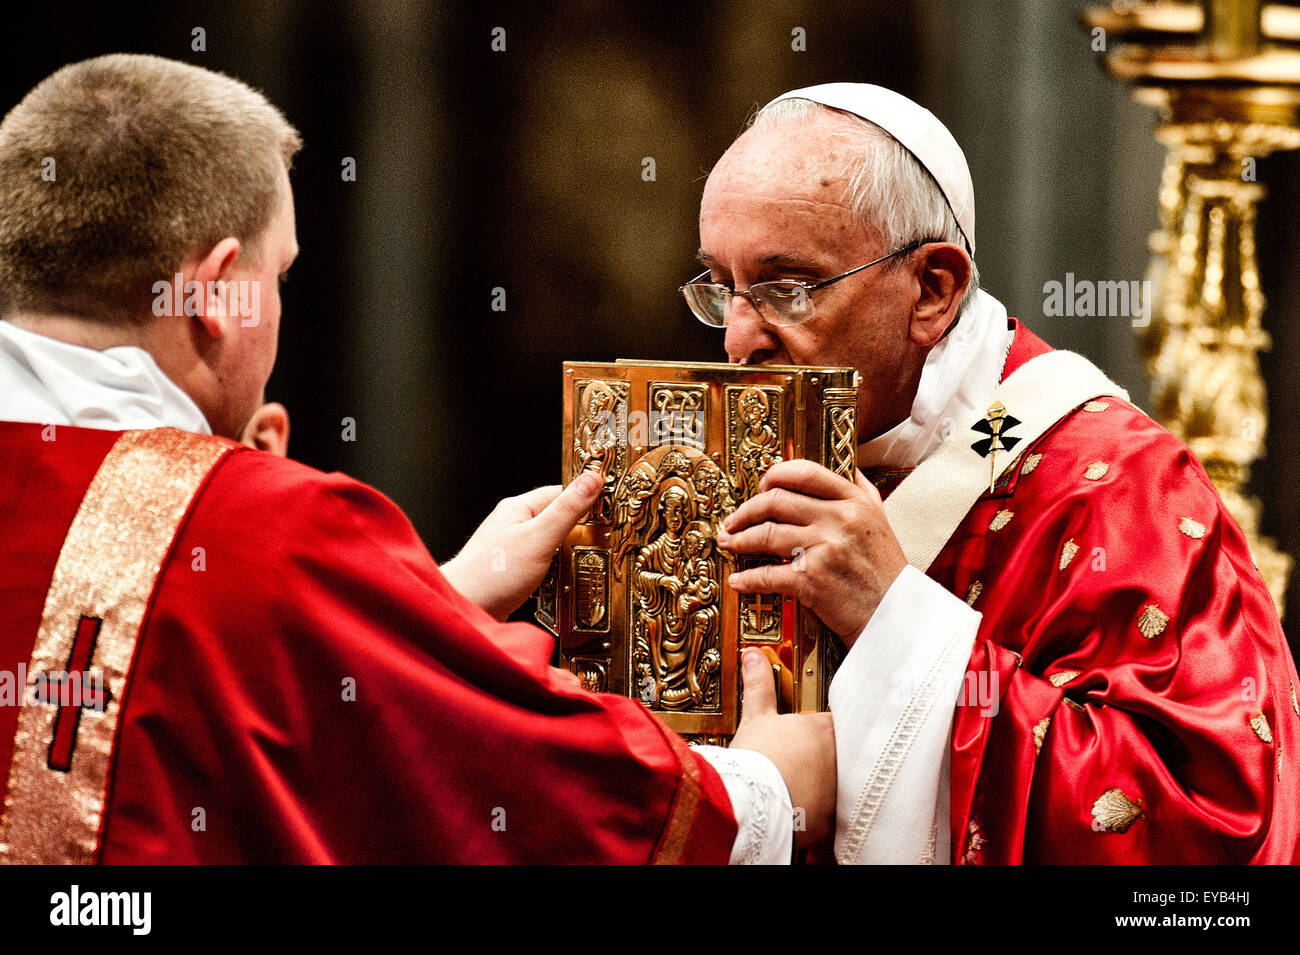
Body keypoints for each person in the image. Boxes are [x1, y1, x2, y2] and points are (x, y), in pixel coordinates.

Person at [0, 54, 835, 864]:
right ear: (216, 292)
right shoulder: (256, 524)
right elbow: (516, 790)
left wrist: (428, 604)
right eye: (280, 275)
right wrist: (759, 789)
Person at [687, 82, 1300, 863]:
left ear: (932, 291)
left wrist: (895, 620)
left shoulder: (1119, 488)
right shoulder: (727, 456)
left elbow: (1209, 831)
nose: (739, 341)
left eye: (787, 290)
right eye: (720, 289)